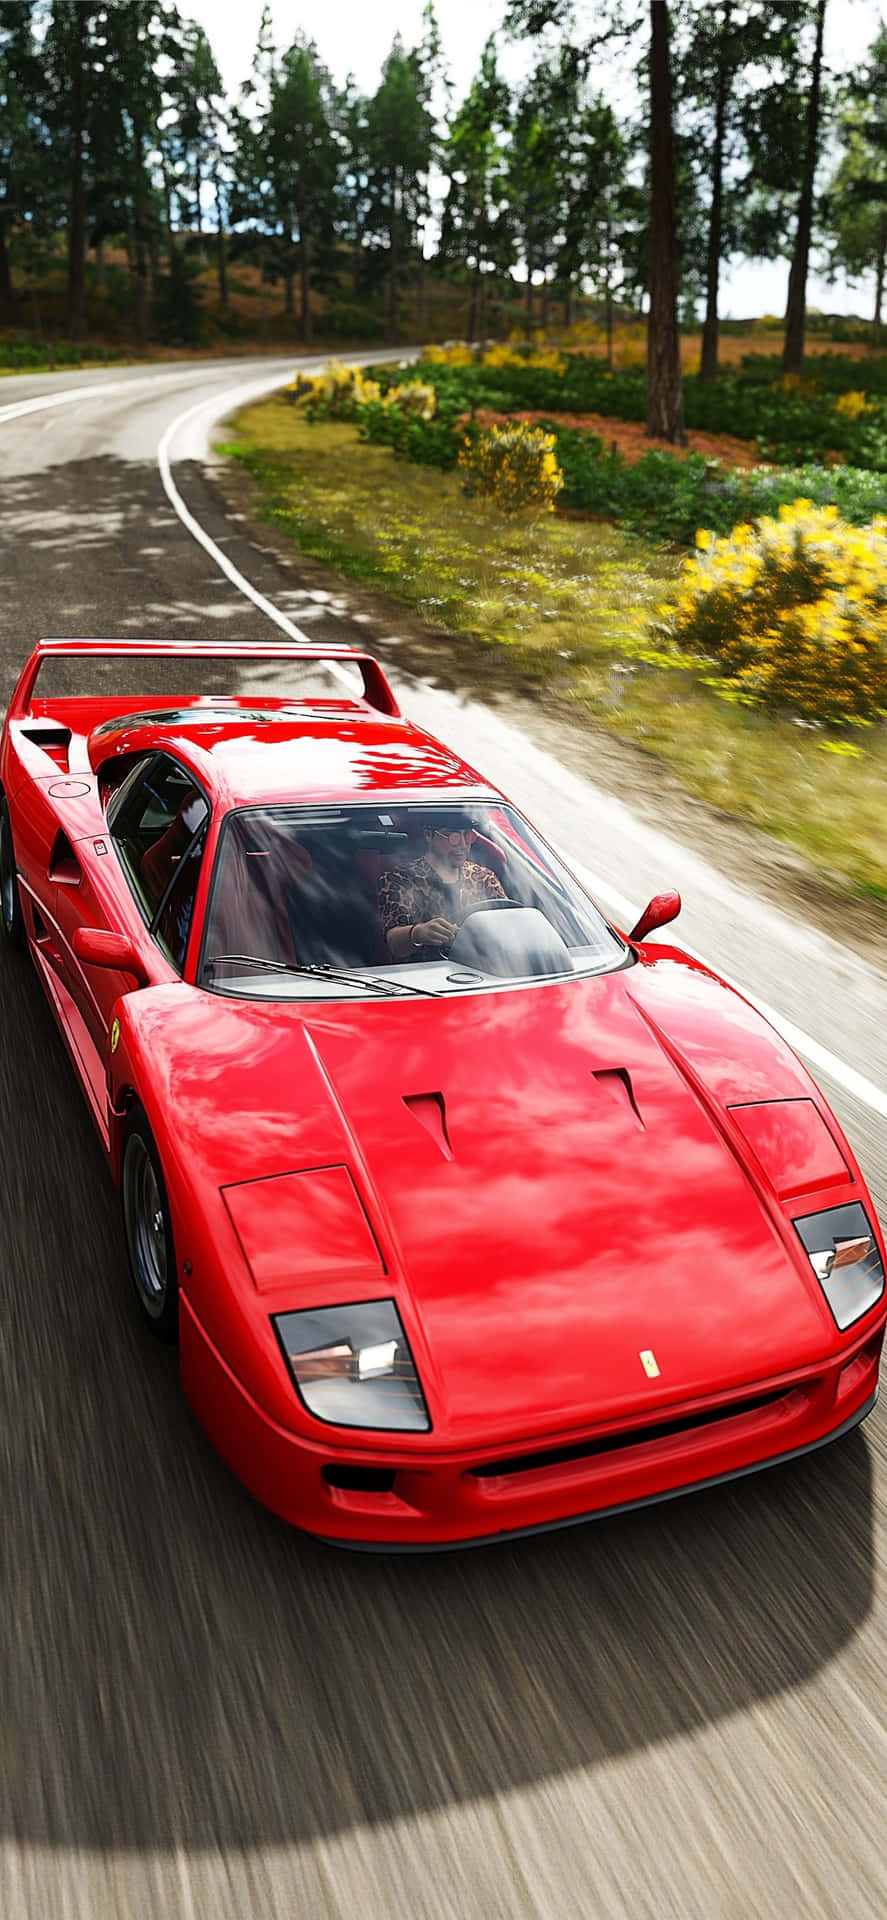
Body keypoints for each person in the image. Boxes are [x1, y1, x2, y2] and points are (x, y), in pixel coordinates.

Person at [378, 812, 507, 962]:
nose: (463, 844)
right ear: (428, 834)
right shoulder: (399, 879)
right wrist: (417, 933)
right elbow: (394, 944)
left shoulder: (483, 877)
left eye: (468, 835)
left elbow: (509, 922)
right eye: (453, 836)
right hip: (424, 975)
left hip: (483, 969)